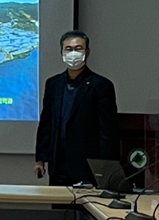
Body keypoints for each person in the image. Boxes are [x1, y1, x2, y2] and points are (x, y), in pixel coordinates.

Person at [34, 30, 119, 186]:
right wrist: (40, 158)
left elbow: (108, 131)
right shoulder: (53, 84)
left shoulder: (101, 85)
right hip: (58, 166)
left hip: (88, 167)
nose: (73, 53)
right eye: (68, 49)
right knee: (57, 203)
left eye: (78, 48)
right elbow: (46, 123)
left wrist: (106, 168)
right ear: (61, 52)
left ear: (87, 52)